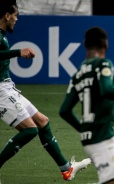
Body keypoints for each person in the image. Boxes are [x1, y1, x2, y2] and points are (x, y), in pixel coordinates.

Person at [0, 0, 91, 181]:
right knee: (30, 130)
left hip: (7, 88)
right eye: (16, 15)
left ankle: (66, 168)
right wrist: (18, 52)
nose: (17, 19)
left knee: (42, 122)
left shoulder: (2, 35)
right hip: (1, 92)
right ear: (7, 15)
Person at [59, 26, 114, 184]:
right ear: (105, 45)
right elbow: (107, 89)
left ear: (85, 45)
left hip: (98, 137)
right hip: (101, 139)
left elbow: (64, 111)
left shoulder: (77, 74)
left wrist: (84, 129)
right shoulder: (103, 64)